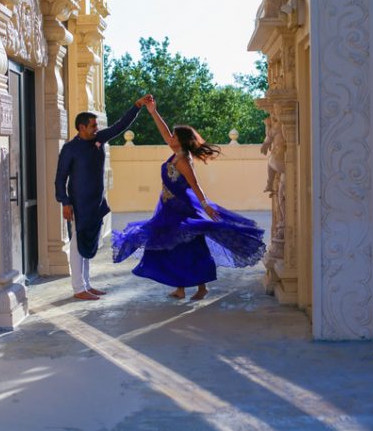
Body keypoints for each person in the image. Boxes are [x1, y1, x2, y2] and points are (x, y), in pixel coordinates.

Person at [112, 96, 266, 300]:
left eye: (174, 136)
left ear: (182, 140)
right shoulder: (176, 153)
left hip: (182, 209)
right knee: (171, 247)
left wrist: (205, 205)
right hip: (168, 209)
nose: (170, 137)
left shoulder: (184, 160)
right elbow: (164, 132)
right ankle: (182, 288)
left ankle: (199, 287)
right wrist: (153, 112)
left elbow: (195, 185)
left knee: (188, 247)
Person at [55, 95, 152, 300]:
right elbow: (60, 179)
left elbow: (120, 126)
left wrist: (137, 106)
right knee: (77, 245)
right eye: (92, 126)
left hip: (96, 204)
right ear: (81, 128)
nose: (96, 129)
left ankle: (87, 285)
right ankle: (78, 288)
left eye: (96, 126)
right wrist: (65, 202)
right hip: (78, 206)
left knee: (88, 245)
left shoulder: (98, 140)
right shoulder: (70, 149)